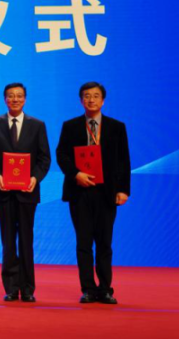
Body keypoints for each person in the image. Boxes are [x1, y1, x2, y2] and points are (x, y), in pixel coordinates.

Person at [56, 81, 131, 304]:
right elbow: (62, 155)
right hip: (80, 192)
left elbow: (124, 160)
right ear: (81, 101)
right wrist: (75, 174)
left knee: (105, 243)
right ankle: (88, 289)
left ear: (103, 100)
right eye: (87, 96)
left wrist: (123, 189)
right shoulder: (70, 126)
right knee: (84, 243)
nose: (91, 100)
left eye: (96, 96)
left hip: (107, 193)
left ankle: (106, 289)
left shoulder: (117, 127)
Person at [0, 83, 51, 302]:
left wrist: (35, 178)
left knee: (26, 239)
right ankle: (11, 287)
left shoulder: (37, 125)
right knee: (8, 239)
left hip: (27, 191)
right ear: (5, 99)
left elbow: (44, 158)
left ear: (25, 99)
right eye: (11, 96)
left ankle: (28, 288)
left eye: (19, 96)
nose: (15, 99)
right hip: (2, 190)